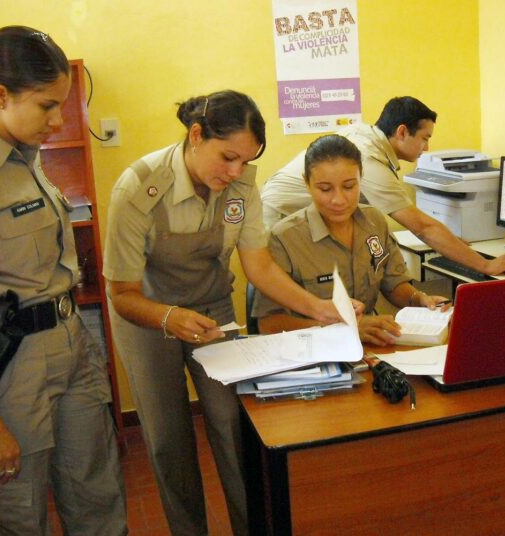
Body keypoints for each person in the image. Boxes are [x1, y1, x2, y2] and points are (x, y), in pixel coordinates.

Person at [103, 90, 359, 536]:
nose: (236, 172)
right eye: (228, 158)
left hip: (213, 309)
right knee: (168, 441)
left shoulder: (241, 187)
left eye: (246, 160)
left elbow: (258, 265)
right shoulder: (138, 187)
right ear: (196, 135)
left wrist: (318, 308)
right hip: (147, 315)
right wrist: (168, 317)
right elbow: (121, 293)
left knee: (232, 425)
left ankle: (251, 527)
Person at [0, 27, 127, 535]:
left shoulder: (26, 160)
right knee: (19, 516)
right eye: (46, 105)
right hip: (10, 373)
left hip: (71, 348)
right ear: (0, 96)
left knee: (99, 502)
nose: (59, 119)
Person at [261, 96, 505, 276]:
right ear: (402, 132)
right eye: (424, 138)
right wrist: (485, 264)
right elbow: (422, 226)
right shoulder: (370, 158)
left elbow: (424, 227)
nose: (427, 148)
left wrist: (449, 242)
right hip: (282, 218)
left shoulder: (367, 138)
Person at [253, 134, 451, 346]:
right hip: (315, 352)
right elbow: (269, 323)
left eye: (349, 186)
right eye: (325, 189)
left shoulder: (374, 221)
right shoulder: (285, 238)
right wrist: (342, 330)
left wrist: (419, 299)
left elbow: (393, 284)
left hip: (372, 345)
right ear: (307, 183)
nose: (338, 200)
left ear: (361, 179)